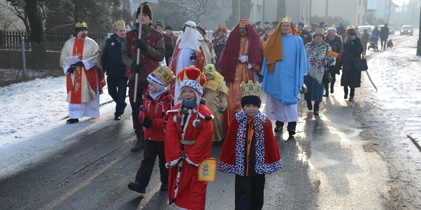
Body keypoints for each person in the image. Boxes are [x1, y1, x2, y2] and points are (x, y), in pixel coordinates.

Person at [218, 80, 282, 210]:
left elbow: (270, 144)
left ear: (259, 106)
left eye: (254, 105)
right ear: (243, 106)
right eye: (248, 105)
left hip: (258, 167)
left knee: (258, 193)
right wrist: (228, 160)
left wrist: (272, 160)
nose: (251, 108)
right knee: (243, 193)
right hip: (242, 167)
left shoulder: (265, 122)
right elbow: (230, 142)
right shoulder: (237, 121)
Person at [165, 66, 214, 209]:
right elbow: (170, 133)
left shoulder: (204, 114)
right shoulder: (175, 111)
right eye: (184, 91)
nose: (187, 94)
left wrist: (191, 157)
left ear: (197, 93)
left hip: (197, 158)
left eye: (191, 91)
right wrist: (176, 155)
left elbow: (206, 136)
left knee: (197, 187)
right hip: (179, 154)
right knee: (179, 186)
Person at [122, 4, 165, 152]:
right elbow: (124, 54)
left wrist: (146, 48)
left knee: (150, 107)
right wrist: (131, 64)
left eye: (145, 15)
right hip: (134, 77)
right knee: (135, 106)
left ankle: (150, 135)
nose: (143, 18)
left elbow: (160, 55)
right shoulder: (130, 35)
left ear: (149, 18)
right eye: (140, 16)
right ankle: (139, 137)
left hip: (150, 78)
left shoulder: (157, 35)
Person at [128, 65, 175, 195]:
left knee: (164, 161)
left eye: (152, 84)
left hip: (163, 138)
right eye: (149, 84)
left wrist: (153, 123)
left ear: (160, 85)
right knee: (147, 160)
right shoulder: (148, 95)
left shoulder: (168, 99)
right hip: (149, 136)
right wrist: (142, 117)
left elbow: (168, 119)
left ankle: (166, 182)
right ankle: (140, 184)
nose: (149, 87)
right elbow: (143, 108)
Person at [260, 17, 309, 138]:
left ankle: (292, 126)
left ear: (291, 27)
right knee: (277, 101)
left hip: (292, 77)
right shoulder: (273, 40)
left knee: (291, 102)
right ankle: (279, 124)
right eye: (283, 26)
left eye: (287, 26)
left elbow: (302, 57)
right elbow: (266, 55)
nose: (285, 28)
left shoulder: (298, 40)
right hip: (276, 76)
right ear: (280, 27)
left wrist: (300, 73)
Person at [60, 22, 105, 124]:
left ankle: (92, 113)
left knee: (88, 92)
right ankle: (74, 116)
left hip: (87, 73)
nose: (84, 32)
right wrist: (68, 68)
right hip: (74, 75)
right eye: (81, 31)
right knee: (75, 93)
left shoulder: (92, 43)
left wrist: (84, 62)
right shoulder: (68, 43)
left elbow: (97, 57)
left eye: (85, 30)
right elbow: (63, 58)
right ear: (76, 32)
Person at [219, 18, 263, 120]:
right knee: (232, 95)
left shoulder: (253, 40)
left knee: (244, 93)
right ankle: (232, 120)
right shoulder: (232, 40)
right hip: (233, 71)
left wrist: (248, 59)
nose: (242, 30)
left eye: (244, 28)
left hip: (247, 71)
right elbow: (226, 56)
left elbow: (258, 56)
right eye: (240, 28)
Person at [169, 20, 205, 97]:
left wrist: (197, 57)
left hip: (190, 75)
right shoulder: (180, 42)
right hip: (178, 71)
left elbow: (202, 58)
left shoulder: (198, 43)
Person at [101, 20, 128, 121]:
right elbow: (104, 56)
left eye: (124, 30)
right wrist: (102, 70)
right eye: (120, 31)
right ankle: (122, 104)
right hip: (111, 72)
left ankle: (118, 112)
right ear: (116, 31)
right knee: (111, 91)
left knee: (122, 93)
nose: (122, 32)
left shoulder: (127, 42)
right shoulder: (109, 41)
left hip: (123, 73)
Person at [304, 27, 333, 115]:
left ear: (323, 38)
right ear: (313, 37)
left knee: (319, 90)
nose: (318, 38)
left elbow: (333, 58)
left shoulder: (327, 47)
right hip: (309, 72)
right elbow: (302, 57)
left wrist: (327, 62)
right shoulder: (307, 46)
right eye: (317, 36)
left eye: (320, 36)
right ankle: (308, 101)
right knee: (308, 89)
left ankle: (316, 106)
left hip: (320, 72)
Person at [202, 64, 229, 142]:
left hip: (215, 106)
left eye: (210, 75)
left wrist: (223, 105)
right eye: (206, 75)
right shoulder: (203, 84)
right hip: (206, 105)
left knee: (216, 122)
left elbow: (223, 96)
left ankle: (217, 138)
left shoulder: (219, 84)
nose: (208, 77)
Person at [340, 27, 363, 102]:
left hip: (354, 63)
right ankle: (346, 92)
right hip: (346, 62)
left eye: (347, 33)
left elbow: (360, 50)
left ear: (350, 33)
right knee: (345, 80)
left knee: (352, 81)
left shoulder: (356, 40)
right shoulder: (346, 40)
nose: (346, 34)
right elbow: (343, 51)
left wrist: (355, 48)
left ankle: (351, 95)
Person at [324, 27, 343, 96]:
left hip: (335, 59)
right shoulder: (325, 38)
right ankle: (326, 91)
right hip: (326, 59)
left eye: (332, 33)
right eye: (329, 33)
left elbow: (340, 49)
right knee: (325, 75)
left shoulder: (338, 38)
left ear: (334, 33)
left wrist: (334, 54)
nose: (330, 35)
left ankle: (332, 86)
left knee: (333, 74)